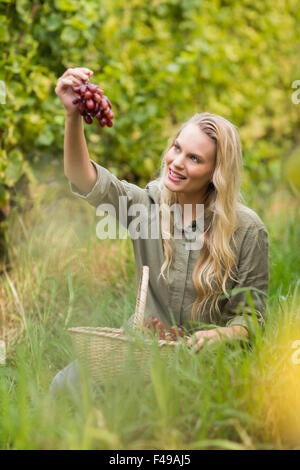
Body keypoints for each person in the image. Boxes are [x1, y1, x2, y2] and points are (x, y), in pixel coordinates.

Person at [50, 67, 269, 395]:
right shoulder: (146, 206)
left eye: (194, 158)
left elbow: (252, 319)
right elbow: (85, 179)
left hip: (204, 361)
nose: (177, 162)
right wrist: (73, 117)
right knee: (63, 386)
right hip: (142, 350)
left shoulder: (247, 230)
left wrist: (221, 335)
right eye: (176, 148)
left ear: (216, 173)